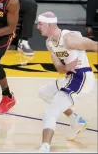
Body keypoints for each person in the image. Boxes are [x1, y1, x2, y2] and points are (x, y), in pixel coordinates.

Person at [36, 11, 98, 152]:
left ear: (50, 24)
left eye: (40, 24)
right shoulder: (49, 43)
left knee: (50, 112)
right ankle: (75, 119)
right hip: (69, 76)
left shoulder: (70, 39)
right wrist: (66, 67)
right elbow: (59, 68)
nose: (38, 27)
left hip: (82, 78)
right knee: (44, 93)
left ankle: (45, 147)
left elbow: (95, 45)